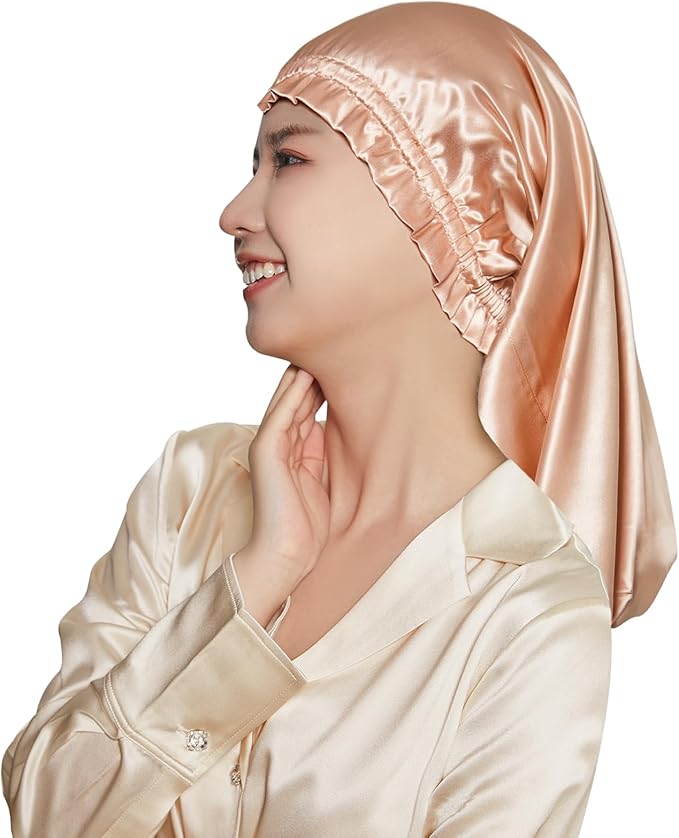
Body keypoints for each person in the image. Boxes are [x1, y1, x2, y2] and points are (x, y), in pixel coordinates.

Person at [2, 3, 674, 836]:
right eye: (255, 164)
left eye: (287, 159)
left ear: (453, 199)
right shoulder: (190, 492)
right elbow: (45, 814)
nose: (234, 211)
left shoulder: (527, 603)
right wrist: (258, 576)